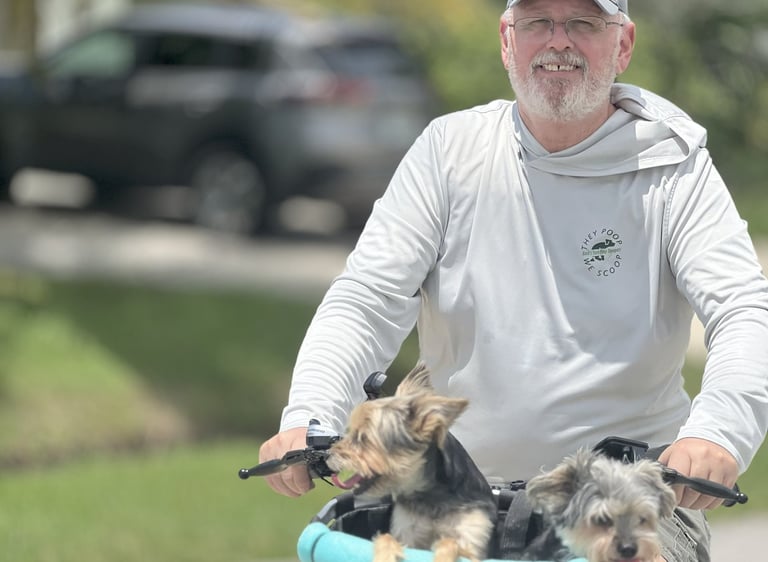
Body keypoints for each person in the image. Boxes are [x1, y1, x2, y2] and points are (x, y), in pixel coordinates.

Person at [260, 0, 768, 560]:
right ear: (507, 40)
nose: (558, 42)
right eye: (536, 23)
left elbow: (743, 308)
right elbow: (366, 300)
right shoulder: (449, 151)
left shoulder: (674, 165)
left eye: (583, 23)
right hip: (454, 495)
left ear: (622, 44)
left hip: (622, 502)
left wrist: (718, 432)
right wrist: (311, 413)